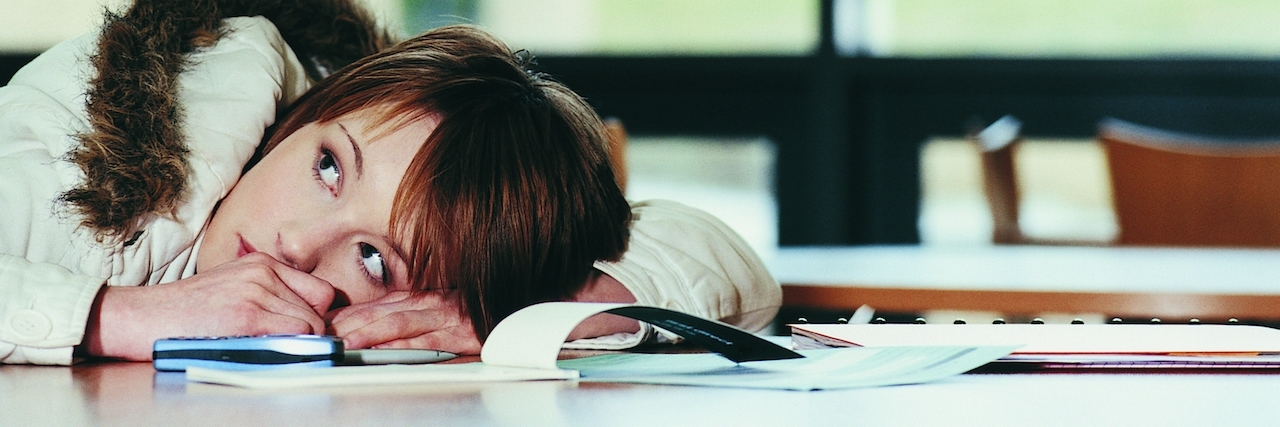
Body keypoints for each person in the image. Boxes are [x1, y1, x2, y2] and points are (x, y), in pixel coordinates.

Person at [0, 0, 781, 365]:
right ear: (297, 114)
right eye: (328, 166)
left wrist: (522, 310)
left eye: (375, 257)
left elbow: (731, 265)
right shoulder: (128, 149)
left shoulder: (409, 148)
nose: (300, 243)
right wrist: (118, 316)